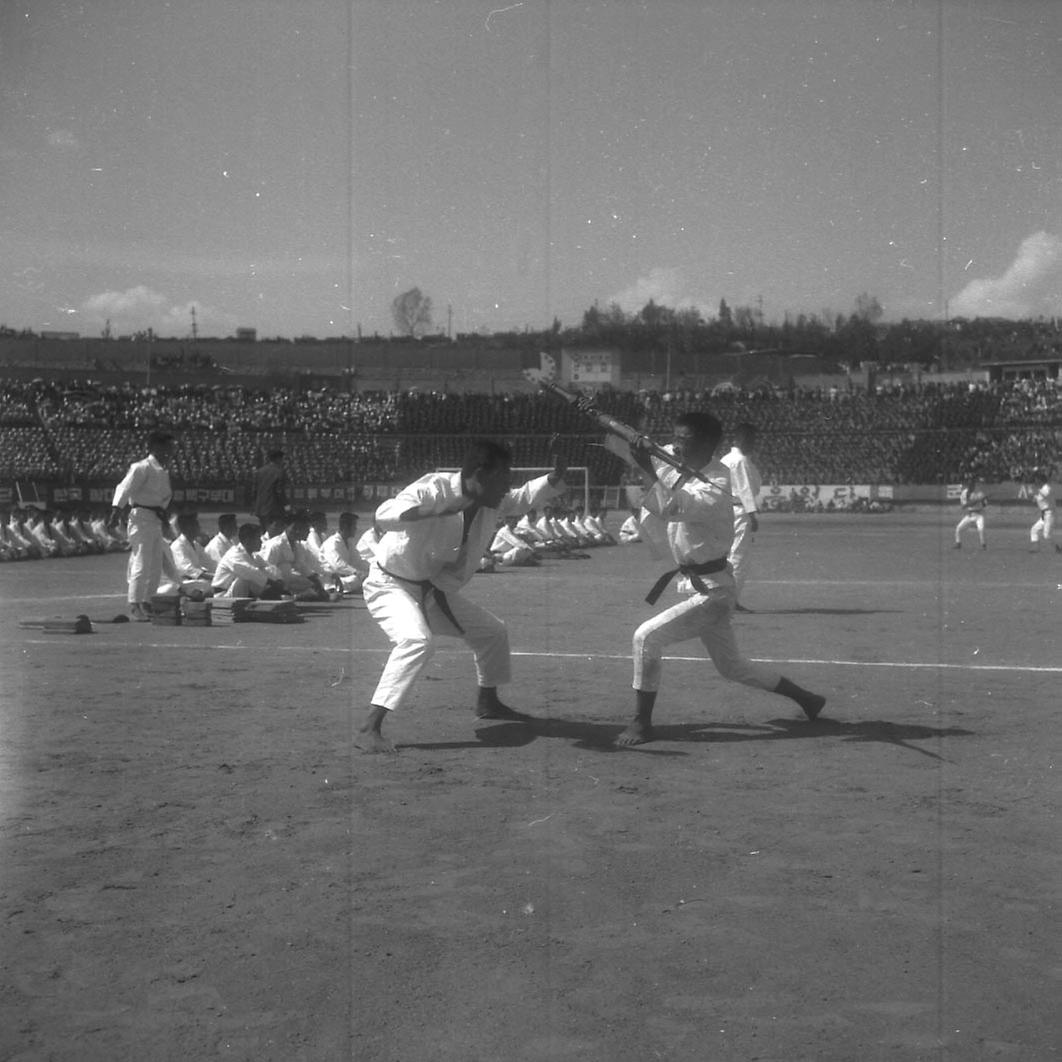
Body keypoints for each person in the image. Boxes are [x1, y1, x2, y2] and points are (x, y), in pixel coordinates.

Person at [615, 411, 826, 747]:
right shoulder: (683, 468)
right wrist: (625, 435)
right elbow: (646, 455)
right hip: (703, 586)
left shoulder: (716, 482)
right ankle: (808, 699)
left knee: (646, 638)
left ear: (706, 444)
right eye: (676, 438)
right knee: (732, 667)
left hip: (712, 592)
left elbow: (672, 506)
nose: (676, 445)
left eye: (684, 440)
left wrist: (645, 465)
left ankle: (641, 723)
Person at [355, 439, 567, 754]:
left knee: (493, 631)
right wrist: (440, 509)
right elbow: (384, 514)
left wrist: (554, 477)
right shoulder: (433, 488)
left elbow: (522, 498)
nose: (507, 485)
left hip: (431, 588)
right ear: (481, 475)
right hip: (390, 584)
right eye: (503, 477)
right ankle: (369, 727)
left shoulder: (491, 501)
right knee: (417, 641)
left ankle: (488, 702)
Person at [109, 431, 175, 621]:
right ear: (157, 448)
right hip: (140, 518)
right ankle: (134, 604)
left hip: (155, 519)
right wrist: (116, 510)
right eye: (168, 447)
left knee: (155, 564)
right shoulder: (141, 467)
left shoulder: (163, 471)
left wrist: (163, 515)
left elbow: (165, 497)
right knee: (142, 562)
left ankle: (147, 601)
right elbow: (124, 488)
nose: (171, 452)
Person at [721, 422, 762, 611]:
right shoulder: (741, 460)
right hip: (739, 511)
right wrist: (752, 514)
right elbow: (745, 489)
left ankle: (723, 597)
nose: (752, 443)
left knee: (726, 556)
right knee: (738, 556)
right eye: (750, 439)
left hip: (725, 511)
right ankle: (730, 600)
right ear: (740, 439)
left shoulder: (726, 459)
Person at [258, 510, 330, 600]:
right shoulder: (275, 545)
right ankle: (288, 596)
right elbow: (266, 568)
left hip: (287, 582)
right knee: (285, 566)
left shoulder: (297, 545)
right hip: (270, 583)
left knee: (313, 584)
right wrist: (278, 584)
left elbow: (301, 566)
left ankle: (293, 596)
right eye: (295, 528)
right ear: (286, 527)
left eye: (301, 528)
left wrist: (316, 582)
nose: (297, 531)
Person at [211, 523, 286, 599]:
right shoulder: (234, 554)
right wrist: (272, 583)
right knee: (244, 580)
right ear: (248, 540)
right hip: (223, 596)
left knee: (263, 573)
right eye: (258, 538)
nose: (261, 542)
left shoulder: (254, 556)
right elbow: (250, 571)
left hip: (237, 592)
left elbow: (269, 568)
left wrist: (278, 579)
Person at [158, 511, 215, 597]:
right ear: (188, 528)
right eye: (196, 525)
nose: (199, 528)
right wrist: (212, 577)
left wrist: (219, 573)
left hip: (196, 580)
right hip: (184, 582)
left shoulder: (196, 545)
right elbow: (188, 570)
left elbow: (210, 562)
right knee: (208, 585)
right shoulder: (178, 546)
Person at [320, 511, 369, 594]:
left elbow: (357, 561)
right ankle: (333, 588)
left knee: (366, 577)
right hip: (330, 579)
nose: (356, 529)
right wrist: (357, 572)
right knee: (356, 579)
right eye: (354, 526)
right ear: (346, 527)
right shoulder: (332, 543)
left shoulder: (349, 543)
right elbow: (338, 565)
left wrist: (372, 568)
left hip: (346, 578)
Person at [253, 449, 289, 532]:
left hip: (260, 508)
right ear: (278, 459)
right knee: (274, 534)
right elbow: (279, 491)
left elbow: (254, 490)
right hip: (274, 509)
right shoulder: (279, 472)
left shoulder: (260, 471)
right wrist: (286, 505)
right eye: (282, 459)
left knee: (264, 533)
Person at [953, 479, 988, 549]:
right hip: (969, 515)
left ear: (974, 486)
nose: (971, 487)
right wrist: (974, 501)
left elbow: (985, 505)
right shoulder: (964, 493)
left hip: (979, 515)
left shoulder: (979, 493)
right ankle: (958, 543)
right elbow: (964, 505)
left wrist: (982, 500)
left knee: (981, 529)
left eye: (972, 485)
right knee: (958, 528)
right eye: (969, 485)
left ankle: (983, 544)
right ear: (967, 486)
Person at [1029, 477, 1059, 553]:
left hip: (1050, 514)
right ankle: (1035, 548)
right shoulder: (1041, 490)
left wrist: (1037, 491)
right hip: (1044, 514)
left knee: (1046, 536)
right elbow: (1036, 499)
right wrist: (1031, 495)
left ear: (1041, 480)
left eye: (1037, 480)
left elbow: (1046, 494)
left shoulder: (1047, 488)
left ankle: (1057, 548)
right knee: (1034, 529)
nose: (1036, 482)